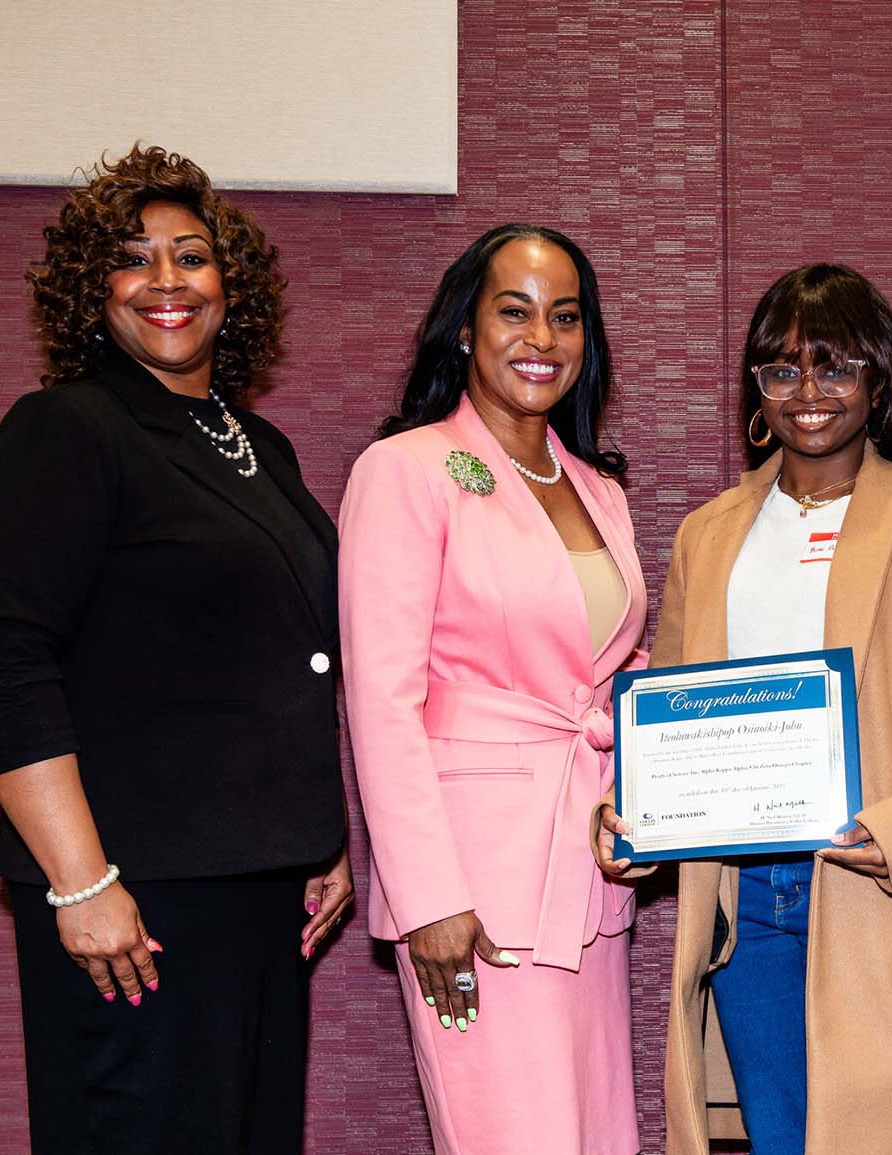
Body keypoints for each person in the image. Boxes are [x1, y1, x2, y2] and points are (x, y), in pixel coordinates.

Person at [0, 145, 353, 1154]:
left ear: (233, 283)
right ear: (96, 290)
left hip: (256, 900)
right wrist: (81, 885)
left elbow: (279, 657)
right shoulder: (66, 429)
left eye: (192, 255)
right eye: (135, 259)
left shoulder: (260, 450)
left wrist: (321, 838)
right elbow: (5, 661)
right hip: (137, 909)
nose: (167, 282)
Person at [596, 264, 892, 1154]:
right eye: (782, 369)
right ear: (756, 389)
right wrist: (638, 812)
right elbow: (674, 704)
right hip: (747, 897)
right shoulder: (708, 534)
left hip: (877, 880)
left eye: (835, 366)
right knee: (781, 1134)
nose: (809, 393)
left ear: (878, 379)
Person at [338, 224, 648, 1155]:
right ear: (465, 330)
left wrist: (643, 813)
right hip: (474, 889)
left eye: (565, 317)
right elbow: (380, 700)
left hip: (587, 880)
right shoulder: (405, 470)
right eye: (513, 311)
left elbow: (619, 678)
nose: (540, 338)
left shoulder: (599, 487)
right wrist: (427, 895)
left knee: (597, 1138)